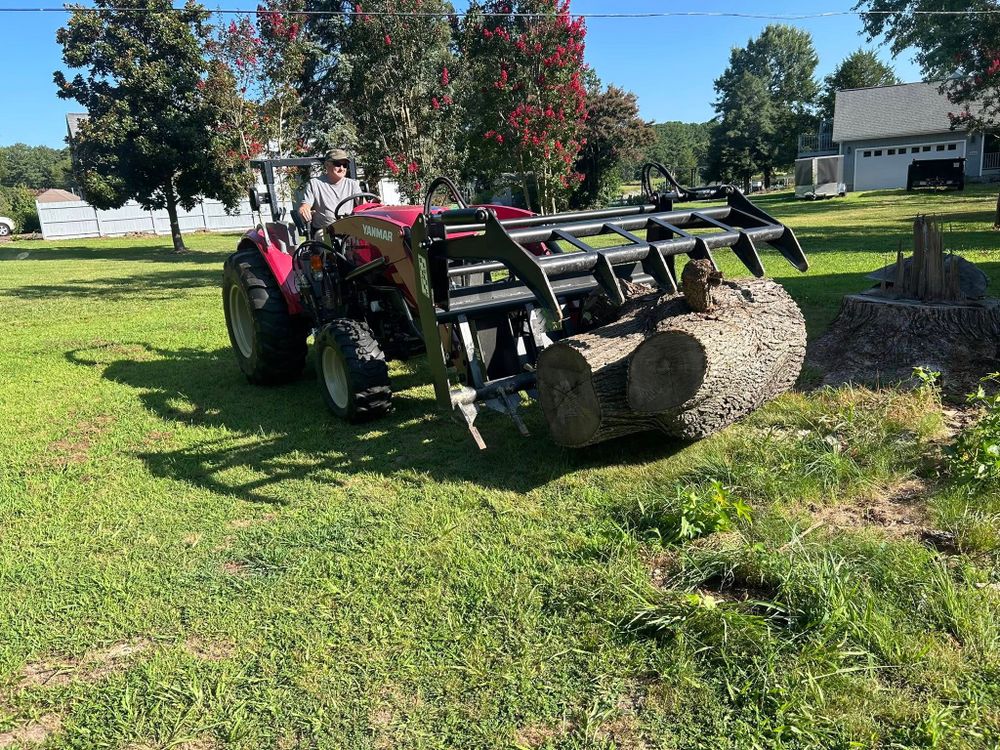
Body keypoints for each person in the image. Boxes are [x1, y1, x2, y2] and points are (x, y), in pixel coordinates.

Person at [298, 149, 362, 240]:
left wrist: (373, 205)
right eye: (338, 164)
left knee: (363, 241)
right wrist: (304, 210)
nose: (342, 168)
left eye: (345, 165)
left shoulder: (353, 184)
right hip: (325, 230)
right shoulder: (315, 184)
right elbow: (305, 206)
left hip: (349, 229)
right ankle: (329, 254)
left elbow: (363, 205)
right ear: (327, 165)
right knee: (326, 241)